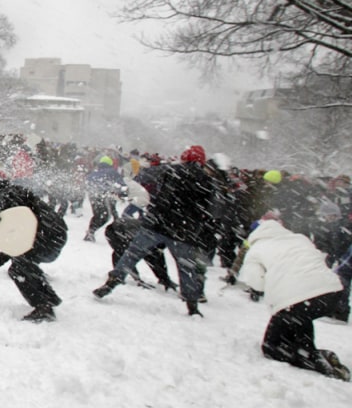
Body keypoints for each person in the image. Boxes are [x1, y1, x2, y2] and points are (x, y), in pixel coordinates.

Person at [93, 145, 220, 316]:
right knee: (186, 268)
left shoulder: (171, 170)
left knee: (132, 254)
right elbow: (210, 210)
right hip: (184, 231)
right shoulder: (207, 181)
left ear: (184, 157)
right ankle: (192, 304)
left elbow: (143, 176)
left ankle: (112, 282)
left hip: (157, 223)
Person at [235, 217, 349, 381]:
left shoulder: (257, 249)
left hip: (296, 299)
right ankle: (312, 352)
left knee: (271, 346)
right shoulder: (299, 238)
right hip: (331, 293)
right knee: (300, 319)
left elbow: (256, 283)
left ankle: (316, 362)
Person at [0, 177, 67, 322]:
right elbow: (17, 241)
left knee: (18, 269)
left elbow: (17, 239)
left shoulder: (10, 197)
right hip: (52, 236)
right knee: (24, 263)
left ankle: (44, 307)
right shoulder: (16, 193)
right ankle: (49, 298)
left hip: (47, 238)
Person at [83, 155, 123, 242]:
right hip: (104, 196)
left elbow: (87, 182)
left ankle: (90, 232)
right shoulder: (113, 172)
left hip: (93, 195)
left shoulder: (94, 172)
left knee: (97, 215)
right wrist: (122, 193)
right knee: (105, 216)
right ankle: (92, 232)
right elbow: (121, 184)